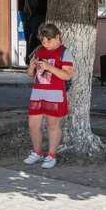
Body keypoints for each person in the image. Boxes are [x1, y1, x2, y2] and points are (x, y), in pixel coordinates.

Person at [23, 23, 73, 169]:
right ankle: (38, 153)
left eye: (48, 41)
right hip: (38, 93)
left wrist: (50, 67)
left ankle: (51, 155)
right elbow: (31, 75)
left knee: (52, 124)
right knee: (33, 125)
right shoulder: (39, 51)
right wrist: (31, 68)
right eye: (43, 41)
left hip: (55, 94)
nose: (46, 44)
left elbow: (67, 74)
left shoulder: (64, 52)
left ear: (57, 37)